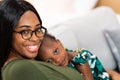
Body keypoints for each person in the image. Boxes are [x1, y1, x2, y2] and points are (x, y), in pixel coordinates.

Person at [0, 0, 85, 80]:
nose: (35, 38)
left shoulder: (33, 59)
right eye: (25, 32)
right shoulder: (22, 69)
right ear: (7, 33)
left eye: (38, 29)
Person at [38, 33, 110, 80]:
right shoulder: (58, 68)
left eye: (56, 51)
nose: (57, 60)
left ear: (59, 42)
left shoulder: (79, 58)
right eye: (49, 61)